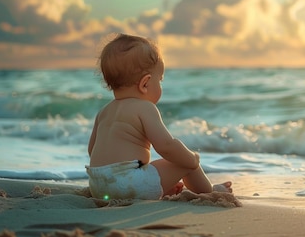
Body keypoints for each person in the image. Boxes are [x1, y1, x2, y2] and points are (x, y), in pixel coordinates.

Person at [86, 33, 232, 200]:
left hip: (98, 185)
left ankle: (159, 188)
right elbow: (166, 146)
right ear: (145, 84)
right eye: (160, 80)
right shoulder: (145, 108)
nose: (160, 85)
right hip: (129, 184)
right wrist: (192, 159)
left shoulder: (104, 111)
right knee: (185, 162)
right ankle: (210, 191)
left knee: (147, 171)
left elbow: (92, 150)